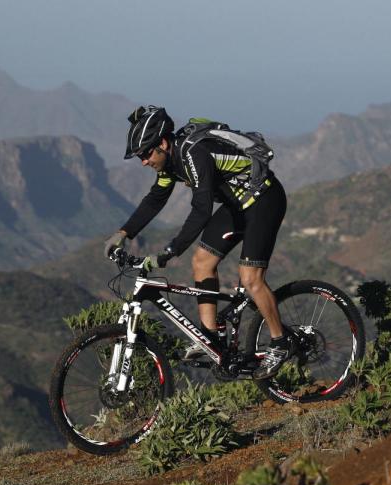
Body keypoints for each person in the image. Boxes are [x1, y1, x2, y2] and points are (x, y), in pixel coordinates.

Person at [103, 106, 291, 379]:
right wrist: (123, 233)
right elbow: (156, 198)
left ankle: (280, 342)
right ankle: (210, 338)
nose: (143, 161)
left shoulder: (193, 154)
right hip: (236, 205)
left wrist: (170, 251)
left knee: (250, 278)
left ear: (163, 144)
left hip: (264, 201)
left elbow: (201, 209)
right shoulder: (170, 162)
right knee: (202, 262)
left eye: (145, 153)